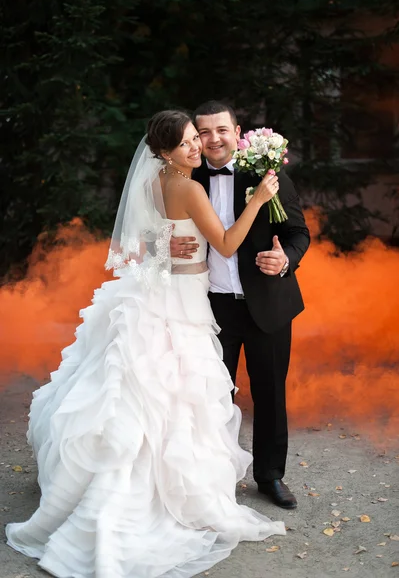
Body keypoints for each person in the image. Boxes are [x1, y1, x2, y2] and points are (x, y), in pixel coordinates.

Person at [6, 110, 286, 578]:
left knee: (143, 385)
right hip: (181, 300)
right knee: (173, 393)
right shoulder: (191, 188)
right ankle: (160, 490)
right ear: (162, 152)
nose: (195, 147)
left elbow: (144, 244)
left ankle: (121, 479)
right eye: (183, 144)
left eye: (195, 138)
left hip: (156, 287)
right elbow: (226, 244)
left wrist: (167, 246)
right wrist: (257, 201)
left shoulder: (152, 181)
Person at [171, 101, 310, 510]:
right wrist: (161, 244)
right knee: (212, 396)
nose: (213, 139)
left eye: (221, 130)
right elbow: (147, 228)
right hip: (210, 308)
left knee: (269, 393)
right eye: (204, 132)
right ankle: (213, 479)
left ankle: (270, 477)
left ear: (237, 131)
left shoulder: (266, 174)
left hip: (268, 303)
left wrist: (286, 260)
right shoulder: (185, 177)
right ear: (195, 137)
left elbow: (299, 231)